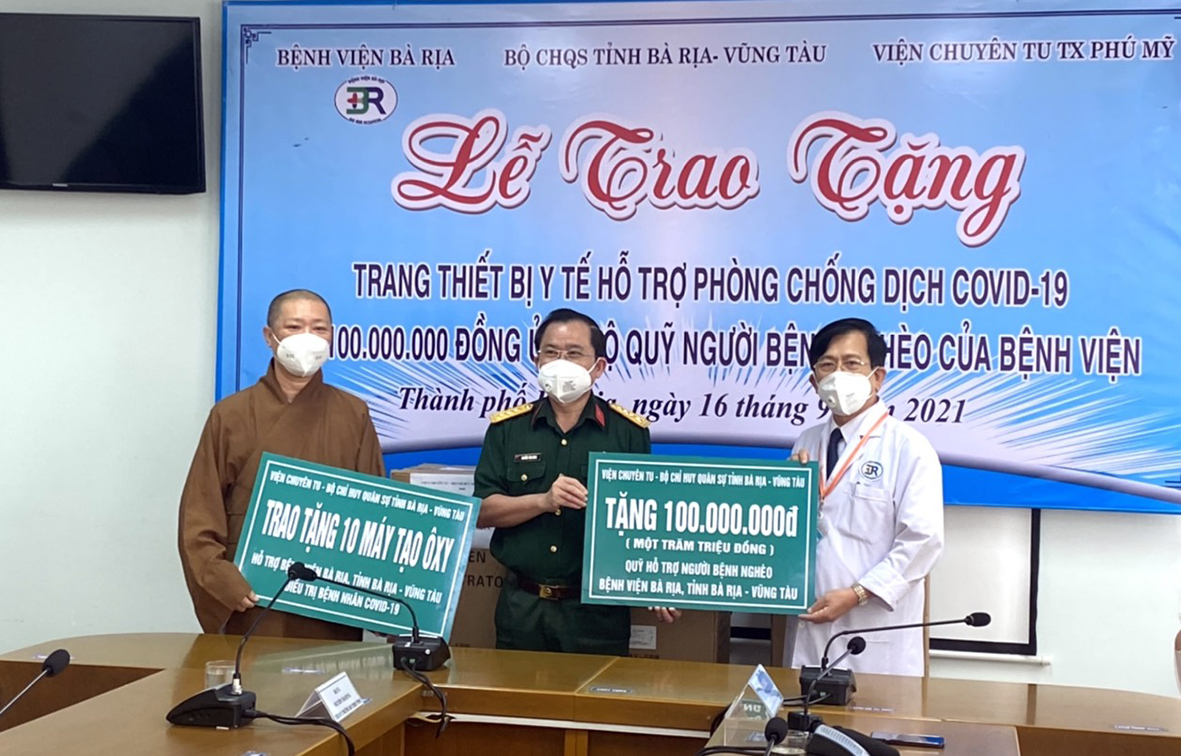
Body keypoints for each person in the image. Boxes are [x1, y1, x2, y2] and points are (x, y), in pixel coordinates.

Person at [178, 289, 384, 640]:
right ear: (269, 336)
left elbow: (376, 512)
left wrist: (382, 600)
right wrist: (221, 581)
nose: (308, 337)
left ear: (332, 336)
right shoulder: (230, 415)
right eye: (294, 326)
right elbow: (199, 515)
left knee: (328, 671)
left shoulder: (353, 414)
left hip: (328, 598)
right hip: (253, 597)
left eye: (319, 328)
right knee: (253, 672)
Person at [473, 308, 676, 655]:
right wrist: (542, 501)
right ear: (536, 360)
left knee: (598, 693)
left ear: (598, 366)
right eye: (551, 352)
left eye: (573, 353)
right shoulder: (507, 429)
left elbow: (644, 521)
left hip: (597, 613)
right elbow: (482, 512)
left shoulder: (628, 433)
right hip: (522, 610)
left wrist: (656, 580)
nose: (560, 362)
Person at [787, 318, 944, 676]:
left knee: (872, 713)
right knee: (803, 708)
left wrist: (858, 593)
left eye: (851, 363)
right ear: (814, 381)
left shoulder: (909, 447)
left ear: (877, 377)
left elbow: (922, 541)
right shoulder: (806, 442)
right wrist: (788, 492)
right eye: (827, 365)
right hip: (809, 625)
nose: (838, 374)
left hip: (872, 636)